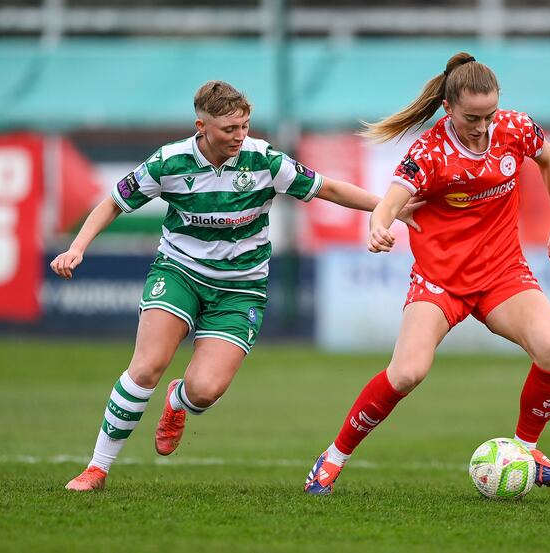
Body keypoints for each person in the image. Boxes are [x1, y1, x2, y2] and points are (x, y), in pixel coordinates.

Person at [52, 80, 421, 491]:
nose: (240, 136)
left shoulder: (263, 160)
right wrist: (77, 248)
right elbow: (113, 202)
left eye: (245, 126)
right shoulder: (168, 162)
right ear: (202, 126)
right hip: (179, 272)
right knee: (146, 366)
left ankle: (179, 401)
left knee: (205, 391)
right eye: (230, 129)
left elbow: (328, 188)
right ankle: (97, 468)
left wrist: (390, 208)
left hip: (240, 288)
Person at [304, 52, 550, 495]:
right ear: (448, 108)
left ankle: (525, 449)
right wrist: (378, 224)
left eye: (489, 114)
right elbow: (394, 197)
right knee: (407, 373)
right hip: (440, 281)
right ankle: (331, 458)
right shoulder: (430, 152)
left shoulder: (516, 127)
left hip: (503, 273)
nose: (483, 126)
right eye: (472, 117)